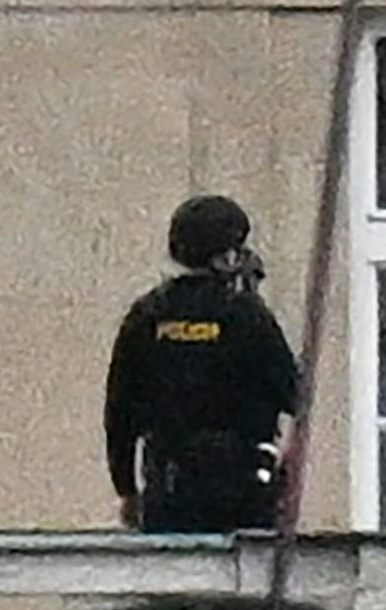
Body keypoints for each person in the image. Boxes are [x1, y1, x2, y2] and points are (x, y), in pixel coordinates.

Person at [104, 194, 300, 534]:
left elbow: (119, 414)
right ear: (225, 256)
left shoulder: (147, 315)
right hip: (243, 488)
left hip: (169, 488)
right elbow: (293, 395)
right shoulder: (246, 315)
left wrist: (127, 491)